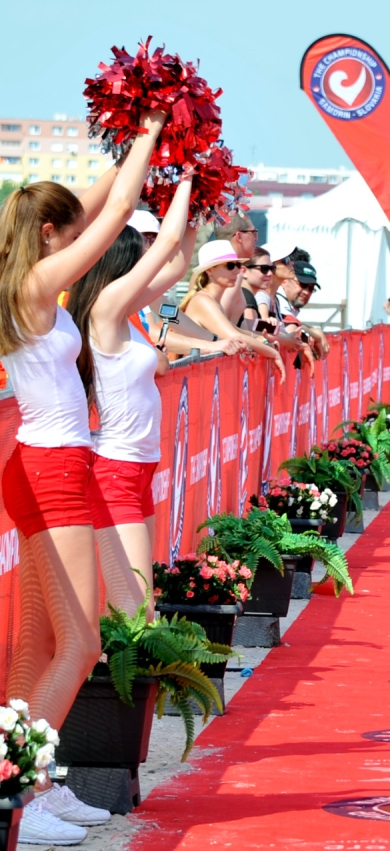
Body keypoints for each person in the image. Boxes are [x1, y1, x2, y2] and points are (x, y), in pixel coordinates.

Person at [0, 110, 167, 845]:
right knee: (79, 643)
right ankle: (22, 792)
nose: (81, 239)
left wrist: (146, 146)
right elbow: (121, 208)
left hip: (44, 462)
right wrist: (153, 125)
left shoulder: (29, 275)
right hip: (55, 467)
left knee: (39, 641)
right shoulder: (38, 281)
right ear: (47, 235)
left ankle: (27, 783)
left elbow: (103, 201)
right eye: (69, 231)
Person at [68, 176, 215, 621]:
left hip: (138, 467)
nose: (146, 268)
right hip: (114, 470)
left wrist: (200, 207)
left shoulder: (127, 316)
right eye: (138, 259)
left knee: (131, 602)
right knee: (135, 606)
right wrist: (188, 175)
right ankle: (121, 686)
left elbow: (176, 263)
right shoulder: (105, 312)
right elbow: (166, 246)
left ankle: (122, 683)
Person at [180, 240, 286, 383]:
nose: (237, 270)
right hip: (196, 381)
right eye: (230, 266)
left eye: (237, 265)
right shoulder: (203, 301)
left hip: (204, 379)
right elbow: (234, 335)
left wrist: (264, 339)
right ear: (209, 270)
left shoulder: (212, 301)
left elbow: (236, 330)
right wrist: (273, 353)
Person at [274, 259, 329, 362]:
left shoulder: (284, 303)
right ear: (285, 281)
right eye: (302, 284)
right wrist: (316, 334)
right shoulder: (279, 300)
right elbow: (293, 332)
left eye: (311, 288)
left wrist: (312, 331)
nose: (306, 292)